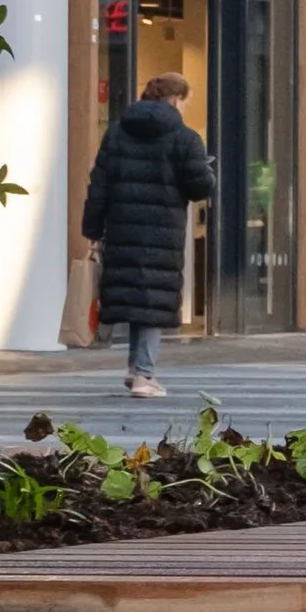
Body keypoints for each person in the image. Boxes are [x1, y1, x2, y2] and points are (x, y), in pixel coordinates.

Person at [80, 72, 213, 400]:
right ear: (175, 99)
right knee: (152, 299)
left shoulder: (116, 133)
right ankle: (143, 374)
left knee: (137, 296)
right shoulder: (184, 138)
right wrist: (207, 171)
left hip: (123, 227)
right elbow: (200, 187)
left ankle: (135, 368)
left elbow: (99, 184)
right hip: (162, 230)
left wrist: (93, 230)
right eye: (184, 101)